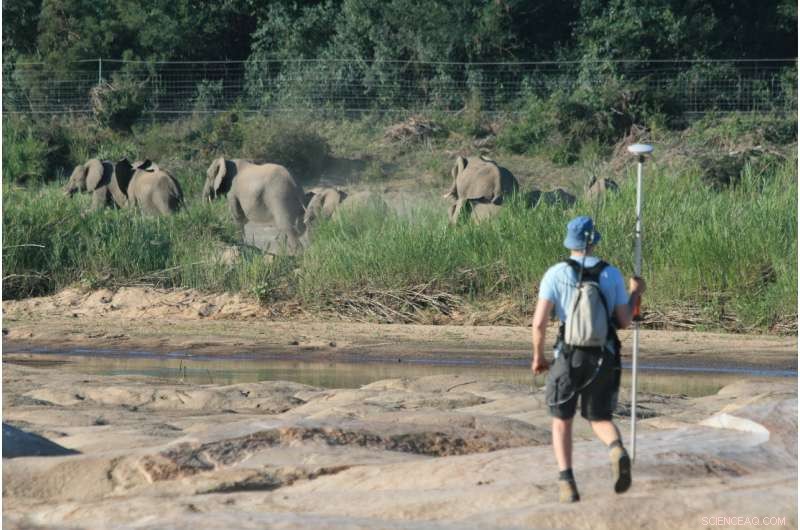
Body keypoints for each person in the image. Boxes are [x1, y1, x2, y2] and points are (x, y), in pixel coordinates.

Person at [531, 215, 646, 503]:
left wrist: (538, 357)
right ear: (594, 241)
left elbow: (539, 323)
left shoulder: (555, 273)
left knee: (562, 421)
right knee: (599, 417)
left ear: (570, 241)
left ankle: (566, 480)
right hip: (604, 358)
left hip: (568, 357)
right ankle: (616, 447)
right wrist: (636, 294)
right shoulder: (611, 274)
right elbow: (623, 322)